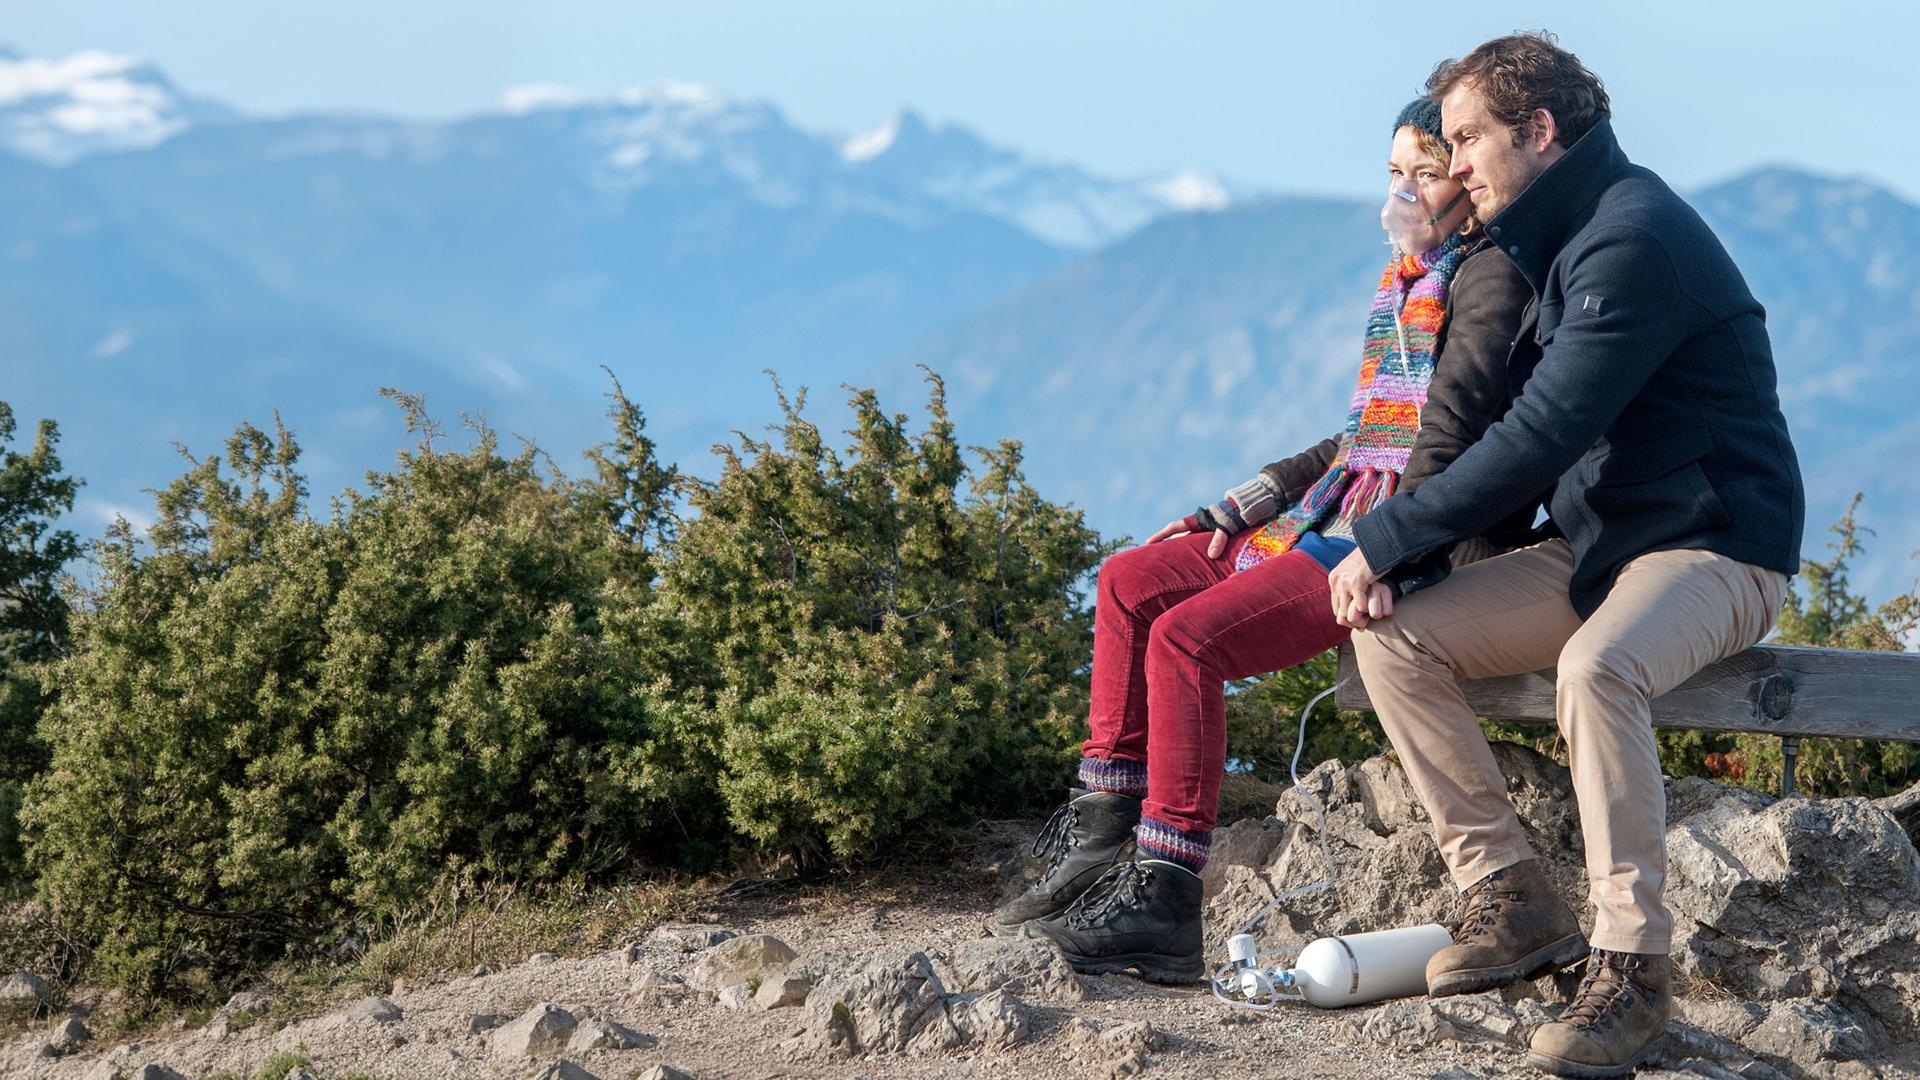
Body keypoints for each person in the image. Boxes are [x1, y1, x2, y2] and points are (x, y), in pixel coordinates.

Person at [1325, 33, 1804, 1078]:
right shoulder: (1553, 235)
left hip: (1716, 546)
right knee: (1396, 638)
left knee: (1599, 669)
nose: (1452, 169)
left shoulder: (1630, 237)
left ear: (1540, 131)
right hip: (1599, 550)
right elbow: (1488, 428)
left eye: (1466, 141)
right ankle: (1513, 892)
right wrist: (1399, 560)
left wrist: (1387, 535)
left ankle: (1632, 967)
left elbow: (1539, 434)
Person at [991, 98, 1536, 983]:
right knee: (1130, 582)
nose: (1403, 190)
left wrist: (1392, 547)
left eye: (1425, 173)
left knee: (1187, 640)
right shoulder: (1408, 279)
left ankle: (1164, 896)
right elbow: (1365, 437)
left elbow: (1454, 436)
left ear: (1467, 182)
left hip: (1399, 538)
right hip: (1338, 505)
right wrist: (1245, 502)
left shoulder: (1490, 279)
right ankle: (1101, 838)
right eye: (1393, 171)